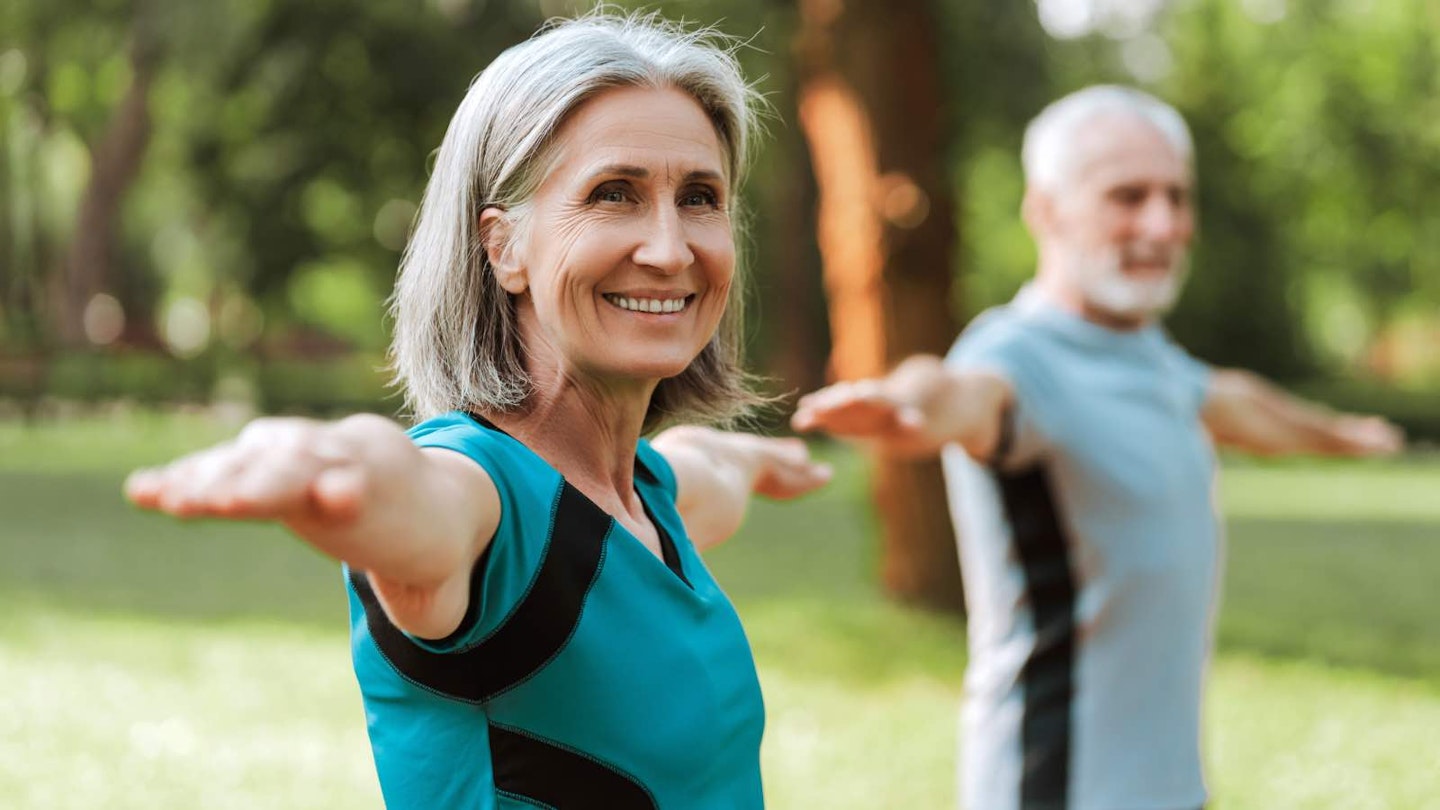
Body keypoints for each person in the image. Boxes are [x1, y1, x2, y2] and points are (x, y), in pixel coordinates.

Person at [126, 14, 832, 809]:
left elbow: (706, 473)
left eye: (699, 197)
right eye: (614, 194)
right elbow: (413, 493)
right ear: (504, 247)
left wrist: (753, 459)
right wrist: (339, 464)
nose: (669, 249)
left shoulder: (646, 497)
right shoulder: (485, 498)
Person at [792, 85, 1403, 810]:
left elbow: (1237, 402)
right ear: (1046, 210)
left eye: (1178, 197)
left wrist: (1347, 436)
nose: (1164, 223)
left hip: (1172, 790)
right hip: (1055, 788)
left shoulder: (1144, 353)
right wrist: (902, 403)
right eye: (1128, 195)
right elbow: (957, 389)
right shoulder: (1019, 357)